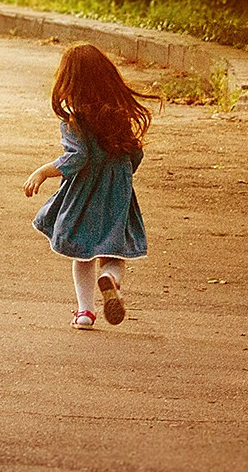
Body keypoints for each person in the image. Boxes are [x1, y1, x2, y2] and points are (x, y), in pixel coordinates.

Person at [23, 43, 153, 329]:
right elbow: (135, 154)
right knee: (113, 252)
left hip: (84, 194)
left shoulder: (74, 118)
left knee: (81, 253)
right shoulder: (119, 113)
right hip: (117, 194)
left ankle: (85, 313)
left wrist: (44, 171)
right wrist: (121, 177)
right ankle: (112, 281)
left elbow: (77, 156)